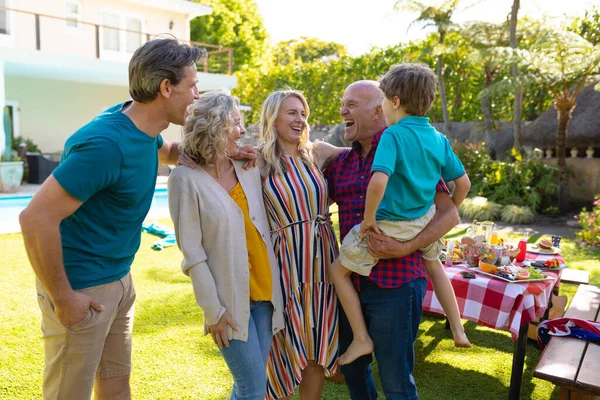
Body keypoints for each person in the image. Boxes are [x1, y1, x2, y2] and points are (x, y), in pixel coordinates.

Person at [18, 38, 205, 399]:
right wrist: (63, 297)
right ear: (166, 88)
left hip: (118, 280)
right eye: (192, 85)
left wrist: (228, 151)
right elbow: (35, 218)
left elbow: (171, 153)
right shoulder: (107, 144)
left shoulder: (143, 129)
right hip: (81, 288)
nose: (197, 94)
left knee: (116, 388)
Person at [324, 79, 462, 399]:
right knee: (354, 372)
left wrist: (405, 246)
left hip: (396, 286)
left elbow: (449, 214)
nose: (342, 110)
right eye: (343, 104)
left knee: (396, 381)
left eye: (351, 104)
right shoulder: (341, 165)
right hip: (351, 288)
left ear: (379, 111)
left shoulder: (406, 151)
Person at [168, 91, 284, 400]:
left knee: (249, 385)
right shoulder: (185, 179)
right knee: (253, 389)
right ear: (216, 127)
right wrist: (212, 311)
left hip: (265, 295)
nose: (243, 130)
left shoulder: (248, 166)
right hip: (229, 305)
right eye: (236, 123)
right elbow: (193, 255)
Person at [257, 90, 343, 400]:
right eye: (292, 112)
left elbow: (363, 152)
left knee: (318, 341)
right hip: (286, 264)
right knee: (286, 339)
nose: (300, 119)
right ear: (273, 118)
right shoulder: (259, 161)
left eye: (302, 113)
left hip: (323, 259)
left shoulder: (315, 152)